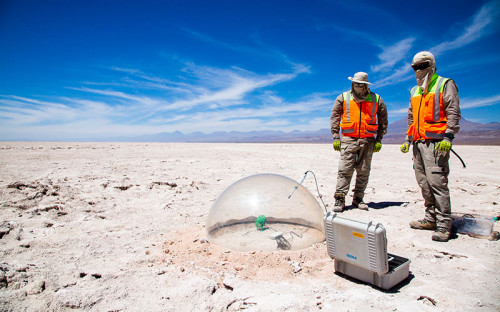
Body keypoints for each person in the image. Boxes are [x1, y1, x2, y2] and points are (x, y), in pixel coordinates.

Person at [400, 51, 461, 242]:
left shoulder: (444, 84)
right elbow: (411, 117)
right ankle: (430, 219)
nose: (418, 70)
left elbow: (453, 110)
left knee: (437, 184)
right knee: (424, 183)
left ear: (432, 65)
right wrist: (408, 139)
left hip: (436, 144)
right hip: (418, 143)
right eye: (415, 67)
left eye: (422, 66)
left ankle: (444, 226)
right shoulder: (415, 91)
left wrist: (448, 136)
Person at [330, 72, 388, 212]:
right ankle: (339, 199)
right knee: (344, 170)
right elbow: (335, 117)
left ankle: (358, 199)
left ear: (366, 85)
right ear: (352, 84)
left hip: (368, 140)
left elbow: (383, 120)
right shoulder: (343, 97)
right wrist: (336, 136)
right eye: (356, 84)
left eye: (361, 85)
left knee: (363, 171)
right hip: (349, 139)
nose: (358, 87)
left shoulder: (376, 99)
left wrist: (379, 139)